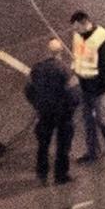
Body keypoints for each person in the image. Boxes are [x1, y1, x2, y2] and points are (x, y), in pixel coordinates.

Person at [27, 39, 77, 184]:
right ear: (60, 52)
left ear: (47, 52)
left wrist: (37, 104)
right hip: (63, 114)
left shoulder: (37, 68)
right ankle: (61, 175)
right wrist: (71, 108)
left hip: (44, 112)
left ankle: (42, 174)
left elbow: (29, 90)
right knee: (63, 145)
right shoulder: (65, 70)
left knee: (43, 145)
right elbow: (73, 93)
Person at [69, 11, 105, 160]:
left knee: (102, 119)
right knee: (88, 120)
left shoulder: (103, 40)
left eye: (77, 28)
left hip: (99, 89)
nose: (75, 31)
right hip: (85, 86)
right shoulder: (78, 36)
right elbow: (78, 57)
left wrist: (98, 89)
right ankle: (92, 152)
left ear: (85, 23)